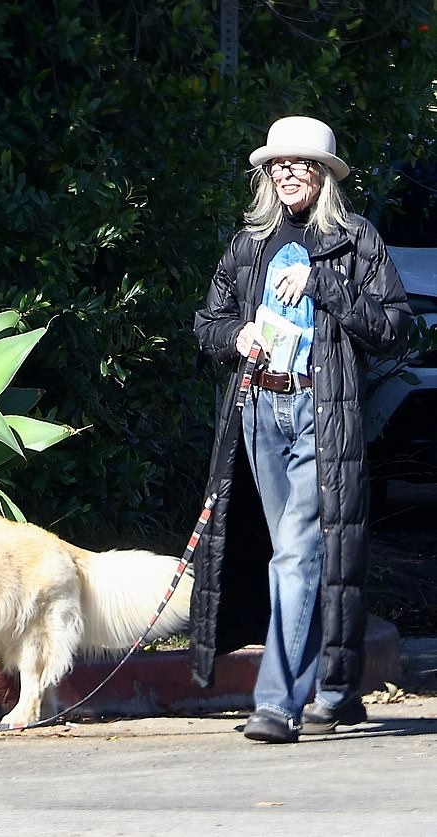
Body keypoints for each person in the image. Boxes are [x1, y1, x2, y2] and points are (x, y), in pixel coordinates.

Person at [190, 115, 412, 743]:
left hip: (324, 412)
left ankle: (278, 703)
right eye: (277, 165)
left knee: (294, 554)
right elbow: (208, 322)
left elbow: (395, 326)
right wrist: (237, 335)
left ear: (325, 175)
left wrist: (324, 284)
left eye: (300, 164)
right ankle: (337, 690)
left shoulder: (355, 239)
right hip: (261, 411)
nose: (287, 173)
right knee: (304, 556)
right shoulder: (249, 242)